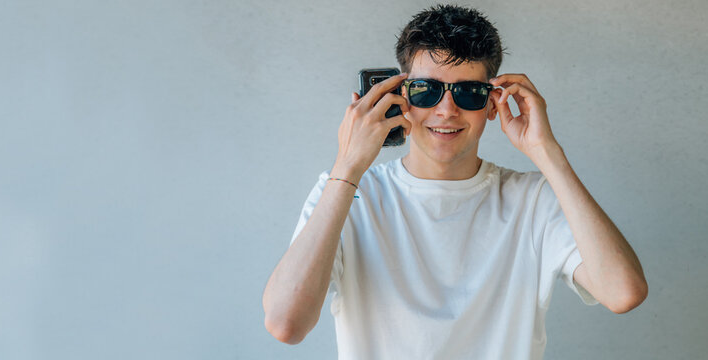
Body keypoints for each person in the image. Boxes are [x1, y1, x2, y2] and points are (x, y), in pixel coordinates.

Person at [262, 4, 647, 359]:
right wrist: (347, 167)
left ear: (493, 103)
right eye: (427, 90)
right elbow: (285, 324)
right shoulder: (346, 194)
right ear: (401, 96)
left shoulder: (534, 200)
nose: (447, 110)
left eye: (468, 92)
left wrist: (547, 152)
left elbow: (623, 293)